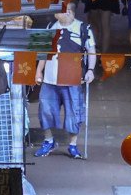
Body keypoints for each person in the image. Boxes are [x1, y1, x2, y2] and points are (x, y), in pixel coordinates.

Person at [35, 19, 93, 158]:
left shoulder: (84, 28)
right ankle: (48, 141)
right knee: (45, 111)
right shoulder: (49, 26)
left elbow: (92, 50)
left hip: (72, 79)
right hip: (49, 80)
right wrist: (38, 71)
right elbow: (42, 50)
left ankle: (72, 145)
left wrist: (90, 69)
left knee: (74, 112)